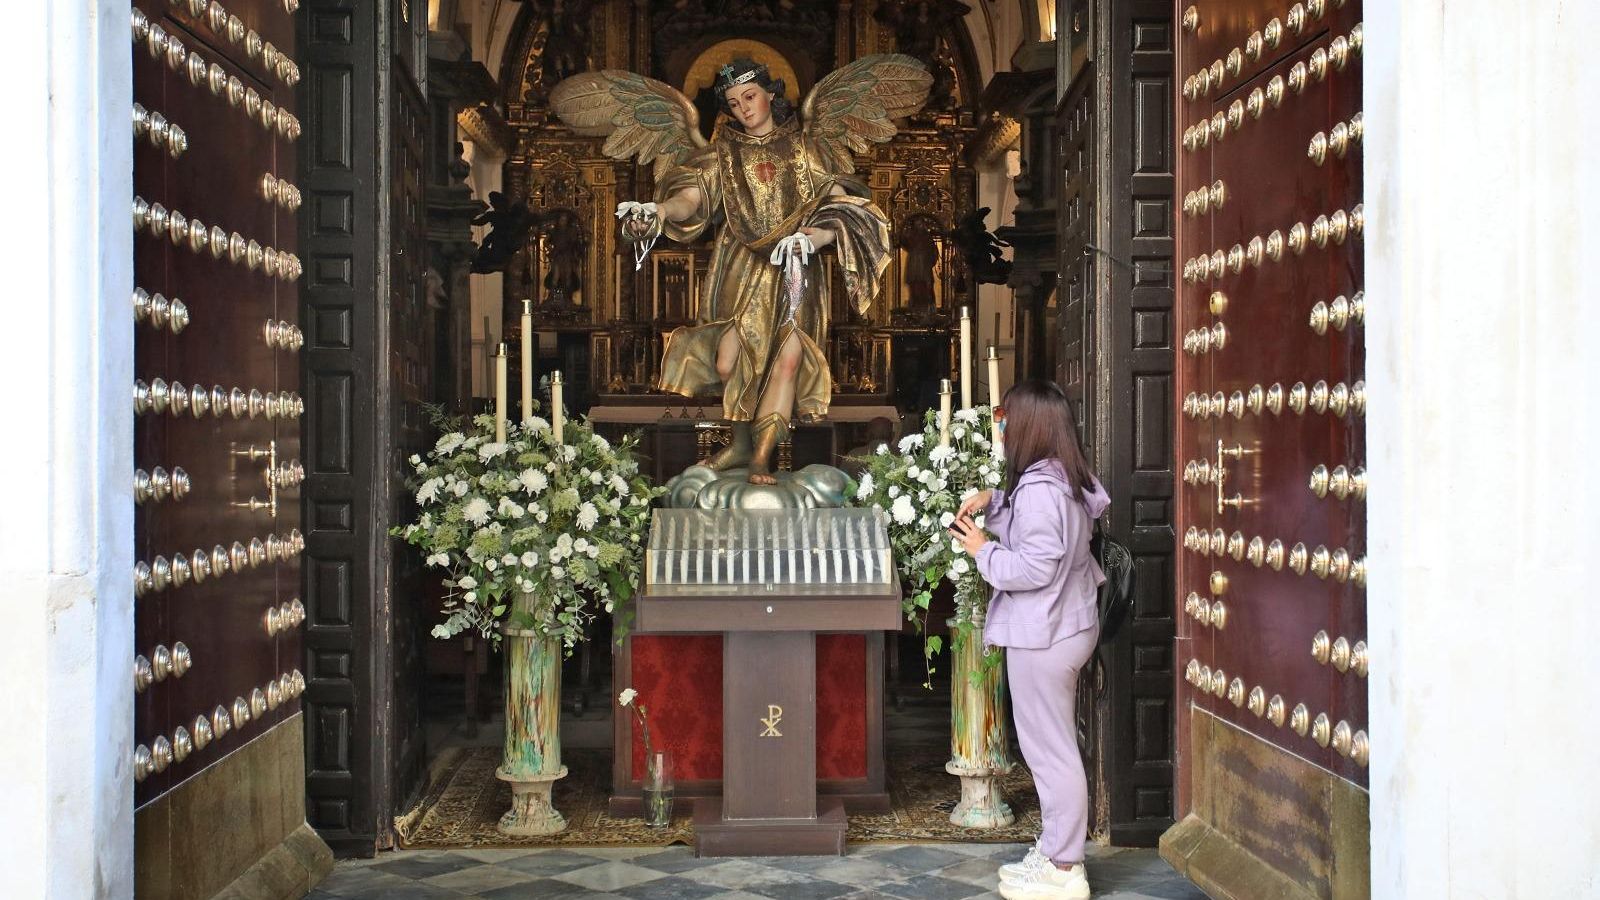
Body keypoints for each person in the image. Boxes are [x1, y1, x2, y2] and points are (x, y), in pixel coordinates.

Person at [549, 55, 930, 484]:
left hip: (793, 270)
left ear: (771, 93)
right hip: (739, 270)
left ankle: (760, 458)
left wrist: (817, 238)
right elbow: (691, 199)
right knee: (729, 364)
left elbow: (843, 205)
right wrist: (659, 211)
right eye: (734, 103)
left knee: (788, 361)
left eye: (750, 96)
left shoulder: (806, 149)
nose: (744, 108)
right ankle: (742, 444)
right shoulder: (722, 155)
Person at [948, 378, 1109, 900]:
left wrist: (981, 549)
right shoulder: (1064, 476)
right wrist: (994, 500)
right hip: (1068, 623)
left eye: (1006, 419)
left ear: (1029, 428)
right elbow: (1045, 533)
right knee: (1053, 746)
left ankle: (1064, 868)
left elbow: (1036, 567)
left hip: (1046, 633)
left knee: (1050, 752)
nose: (1002, 428)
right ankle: (1057, 848)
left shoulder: (1041, 490)